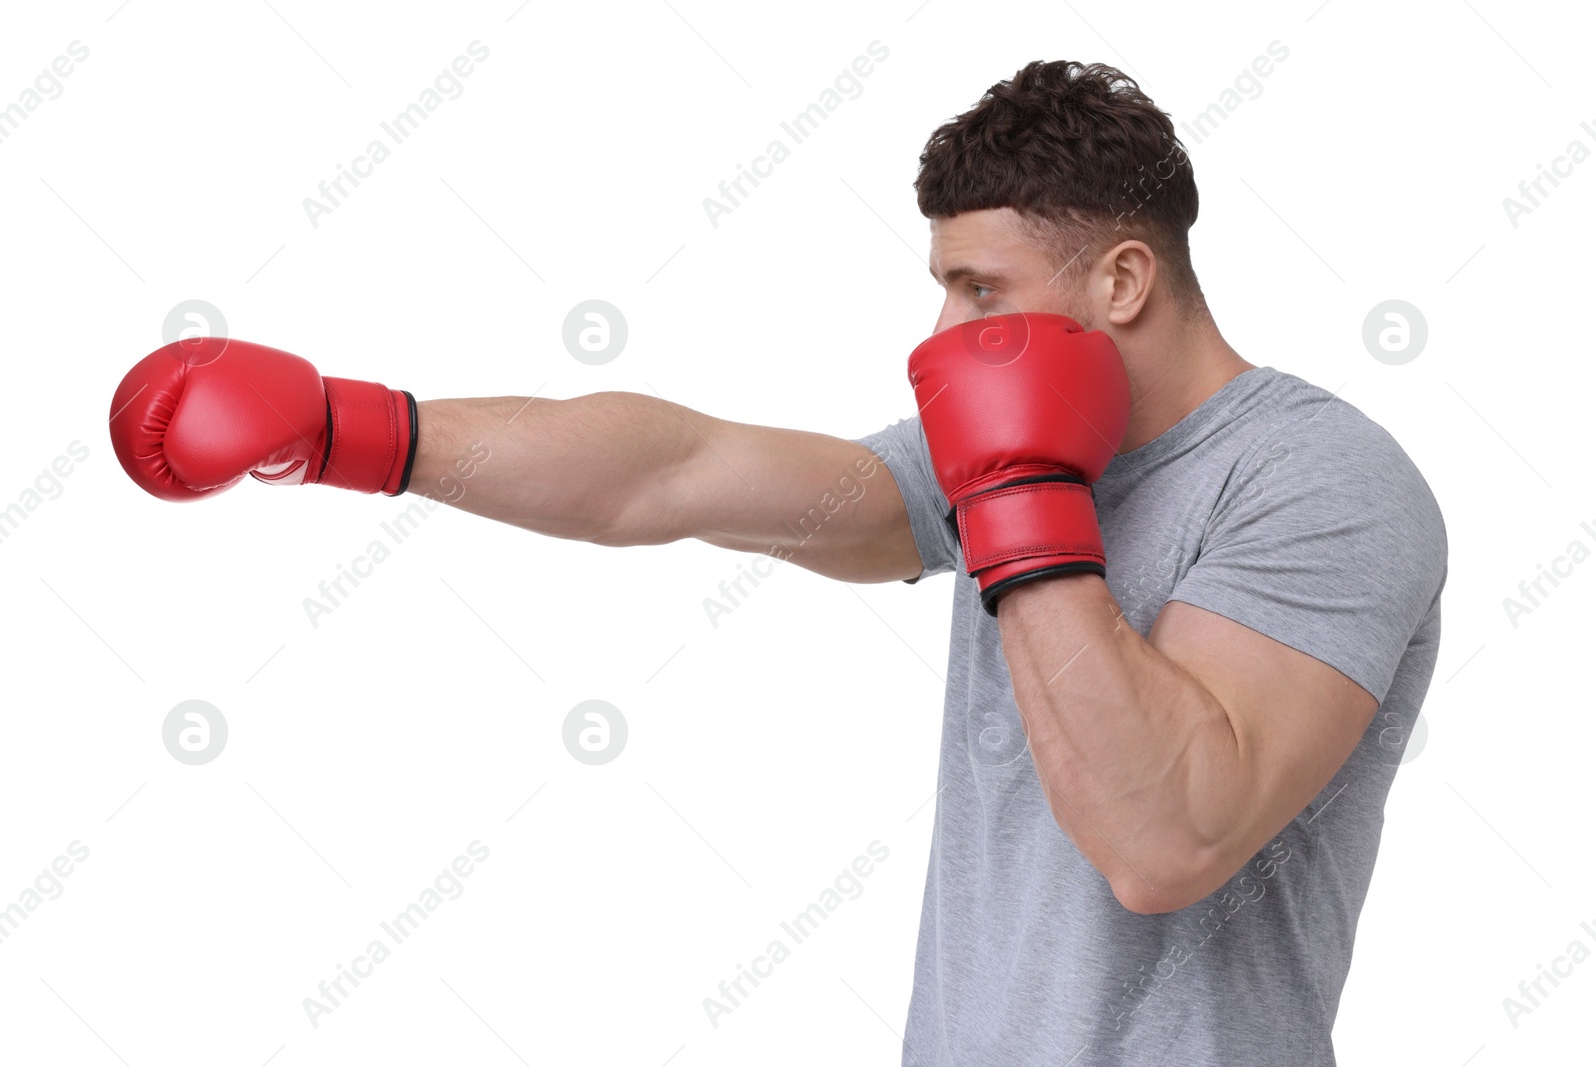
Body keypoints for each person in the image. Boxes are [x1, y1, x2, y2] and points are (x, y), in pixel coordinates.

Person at [109, 60, 1446, 1066]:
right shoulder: (1018, 449)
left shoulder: (1320, 483)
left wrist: (1022, 496)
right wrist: (352, 431)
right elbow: (675, 471)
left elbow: (1167, 841)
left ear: (1123, 281)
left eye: (980, 286)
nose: (942, 325)